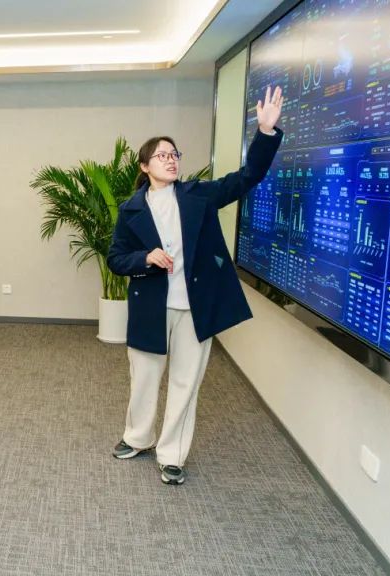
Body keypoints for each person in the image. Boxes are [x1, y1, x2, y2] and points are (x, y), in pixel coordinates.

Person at [107, 86, 284, 486]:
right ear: (144, 166)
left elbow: (247, 177)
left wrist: (265, 133)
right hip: (151, 305)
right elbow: (116, 258)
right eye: (162, 155)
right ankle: (137, 437)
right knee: (144, 378)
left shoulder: (198, 195)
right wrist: (145, 258)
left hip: (194, 307)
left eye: (174, 154)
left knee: (186, 383)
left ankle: (172, 455)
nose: (171, 159)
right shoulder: (130, 209)